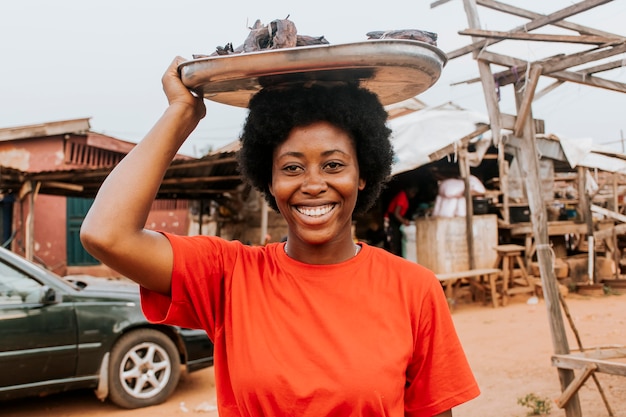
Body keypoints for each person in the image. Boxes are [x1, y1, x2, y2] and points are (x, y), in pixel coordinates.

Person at [80, 56, 479, 416]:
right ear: (268, 181)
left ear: (363, 176)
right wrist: (182, 113)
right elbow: (106, 234)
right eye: (291, 168)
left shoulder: (413, 289)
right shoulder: (231, 276)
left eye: (334, 164)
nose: (313, 184)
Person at [385, 185, 418, 256]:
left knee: (396, 239)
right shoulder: (402, 196)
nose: (413, 195)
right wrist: (404, 221)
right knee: (393, 241)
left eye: (415, 193)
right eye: (412, 192)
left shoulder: (404, 196)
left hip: (395, 220)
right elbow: (396, 214)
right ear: (407, 189)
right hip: (391, 219)